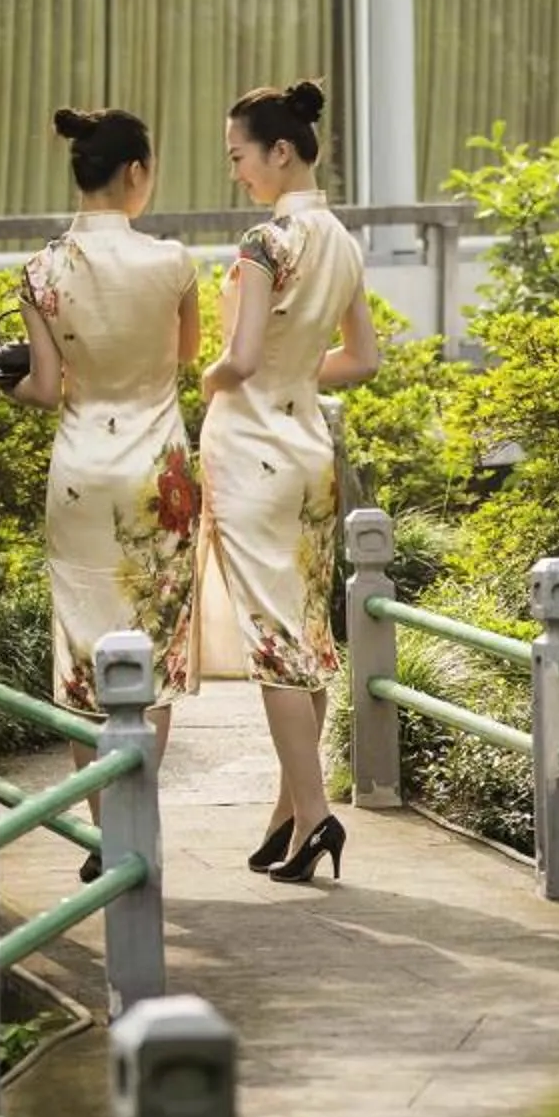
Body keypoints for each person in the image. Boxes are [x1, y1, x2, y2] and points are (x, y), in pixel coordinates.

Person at [8, 106, 201, 884]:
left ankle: (109, 837)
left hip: (81, 471)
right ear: (134, 174)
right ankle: (139, 824)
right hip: (161, 472)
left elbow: (47, 388)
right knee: (151, 650)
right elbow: (185, 357)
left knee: (87, 651)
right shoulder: (174, 262)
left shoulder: (40, 270)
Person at [199, 77, 380, 887]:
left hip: (251, 450)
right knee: (307, 633)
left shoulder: (263, 244)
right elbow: (363, 362)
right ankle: (287, 811)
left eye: (241, 155)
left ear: (280, 151)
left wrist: (206, 380)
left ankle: (313, 816)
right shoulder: (342, 239)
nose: (237, 170)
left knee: (276, 643)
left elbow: (237, 360)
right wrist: (295, 369)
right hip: (309, 445)